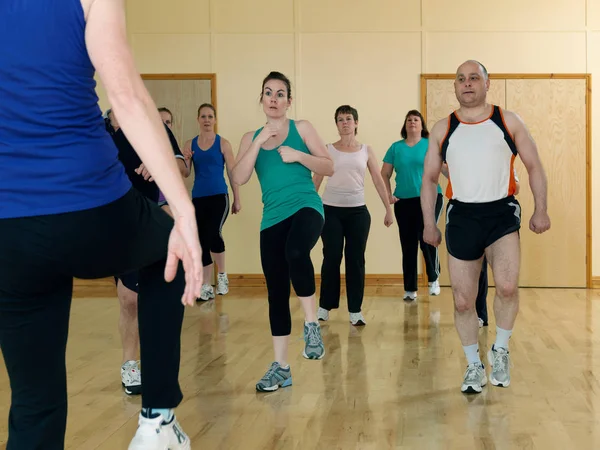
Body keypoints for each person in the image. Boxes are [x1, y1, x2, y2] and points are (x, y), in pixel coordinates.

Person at [0, 0, 203, 449]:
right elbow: (125, 96)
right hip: (90, 204)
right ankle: (157, 420)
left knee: (34, 404)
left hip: (9, 228)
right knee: (166, 247)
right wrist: (183, 212)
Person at [421, 60, 550, 394]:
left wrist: (541, 209)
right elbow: (430, 178)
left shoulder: (507, 121)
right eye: (461, 79)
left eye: (474, 78)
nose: (467, 84)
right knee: (463, 301)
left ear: (487, 84)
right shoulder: (442, 128)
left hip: (501, 213)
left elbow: (534, 165)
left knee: (507, 287)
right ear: (455, 87)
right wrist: (428, 224)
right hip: (462, 215)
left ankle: (501, 349)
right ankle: (474, 366)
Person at [232, 71, 334, 392]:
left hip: (306, 206)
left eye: (280, 94)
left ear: (289, 101)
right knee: (276, 292)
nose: (274, 99)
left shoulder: (302, 128)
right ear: (261, 99)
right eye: (268, 93)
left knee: (295, 251)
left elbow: (328, 165)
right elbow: (239, 177)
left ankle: (311, 325)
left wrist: (300, 155)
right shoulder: (251, 137)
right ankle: (281, 367)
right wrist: (258, 142)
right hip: (272, 217)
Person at [104, 107, 187, 396]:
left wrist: (158, 163)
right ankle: (130, 363)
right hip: (113, 222)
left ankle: (158, 367)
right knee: (128, 298)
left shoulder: (152, 123)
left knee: (154, 297)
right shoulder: (98, 128)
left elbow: (180, 165)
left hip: (151, 220)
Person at [313, 105, 394, 326]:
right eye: (340, 119)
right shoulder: (328, 149)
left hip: (358, 212)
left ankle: (355, 310)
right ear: (337, 124)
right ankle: (324, 307)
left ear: (356, 123)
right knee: (331, 257)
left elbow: (378, 180)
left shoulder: (366, 150)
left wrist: (388, 209)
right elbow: (317, 180)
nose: (345, 123)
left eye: (349, 119)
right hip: (330, 211)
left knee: (355, 260)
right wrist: (308, 208)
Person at [382, 110, 444, 302]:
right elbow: (384, 174)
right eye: (409, 119)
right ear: (405, 124)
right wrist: (388, 195)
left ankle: (434, 278)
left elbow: (444, 166)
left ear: (422, 124)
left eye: (416, 119)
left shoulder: (430, 145)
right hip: (404, 201)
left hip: (431, 197)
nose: (412, 122)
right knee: (408, 244)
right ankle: (410, 289)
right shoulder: (395, 147)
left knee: (427, 238)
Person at [182, 103, 241, 300]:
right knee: (201, 240)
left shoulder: (223, 144)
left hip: (219, 196)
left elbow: (233, 172)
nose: (207, 120)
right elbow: (186, 172)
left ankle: (222, 275)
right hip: (199, 197)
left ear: (215, 120)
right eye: (203, 116)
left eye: (210, 116)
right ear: (198, 119)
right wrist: (186, 159)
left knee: (213, 233)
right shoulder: (190, 144)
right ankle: (206, 285)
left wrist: (237, 198)